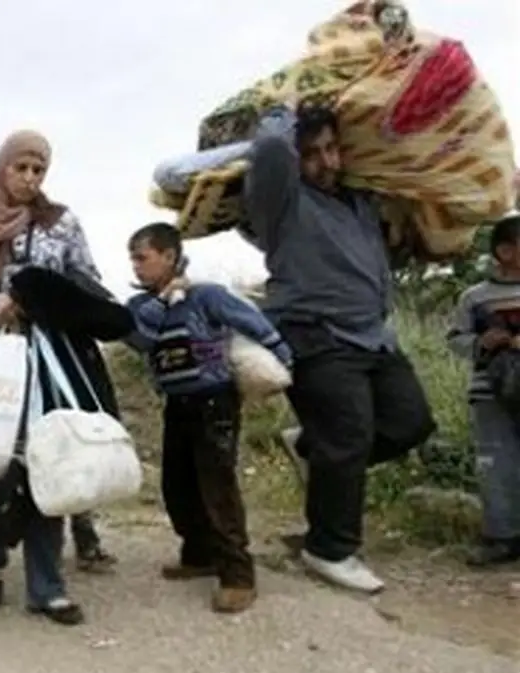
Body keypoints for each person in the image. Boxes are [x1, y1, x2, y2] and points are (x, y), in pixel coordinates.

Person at [243, 101, 435, 593]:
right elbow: (270, 148)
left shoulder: (359, 203)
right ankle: (328, 549)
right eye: (311, 153)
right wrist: (287, 108)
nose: (326, 162)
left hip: (373, 336)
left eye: (332, 149)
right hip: (314, 335)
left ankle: (312, 447)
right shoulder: (281, 201)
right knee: (348, 436)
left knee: (410, 422)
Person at [0, 129, 114, 625]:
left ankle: (47, 587)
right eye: (22, 168)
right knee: (0, 463)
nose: (30, 178)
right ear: (3, 168)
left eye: (39, 170)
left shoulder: (62, 223)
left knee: (49, 462)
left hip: (53, 360)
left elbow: (87, 281)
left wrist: (55, 301)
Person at [124, 222, 292, 613]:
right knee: (177, 486)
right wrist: (165, 299)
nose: (136, 267)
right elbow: (141, 338)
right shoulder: (140, 307)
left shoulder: (205, 296)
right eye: (132, 259)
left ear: (169, 256)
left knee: (217, 485)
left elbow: (252, 322)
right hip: (177, 404)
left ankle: (237, 576)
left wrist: (284, 358)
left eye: (142, 258)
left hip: (214, 401)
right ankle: (199, 554)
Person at [446, 215, 520, 567]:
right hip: (490, 393)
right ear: (504, 251)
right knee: (496, 464)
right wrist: (481, 342)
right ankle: (502, 538)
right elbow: (455, 339)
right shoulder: (474, 297)